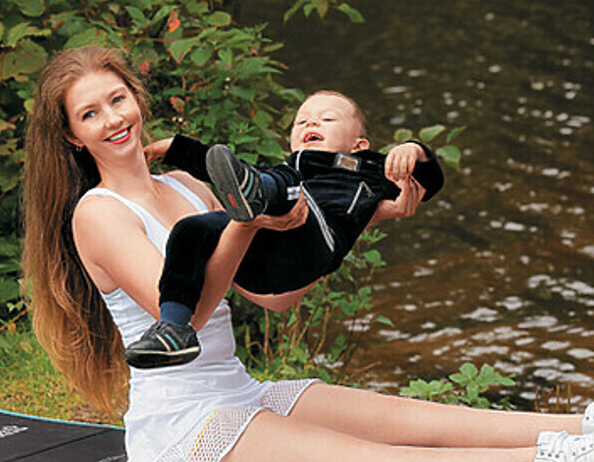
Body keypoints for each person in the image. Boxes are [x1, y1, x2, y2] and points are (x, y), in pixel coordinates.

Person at [22, 46, 594, 462]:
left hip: (239, 390)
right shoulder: (98, 214)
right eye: (91, 114)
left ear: (136, 98)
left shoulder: (185, 185)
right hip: (184, 427)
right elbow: (189, 317)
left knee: (427, 420)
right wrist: (245, 220)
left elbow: (273, 295)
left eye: (117, 99)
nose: (114, 119)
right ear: (74, 137)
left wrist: (363, 216)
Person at [123, 90, 445, 369]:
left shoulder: (369, 168)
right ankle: (174, 329)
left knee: (281, 187)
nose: (311, 124)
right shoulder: (287, 169)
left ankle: (255, 196)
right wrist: (175, 149)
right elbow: (219, 167)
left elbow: (431, 182)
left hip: (315, 242)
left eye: (327, 119)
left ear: (358, 144)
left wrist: (413, 150)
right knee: (191, 229)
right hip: (261, 262)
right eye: (301, 121)